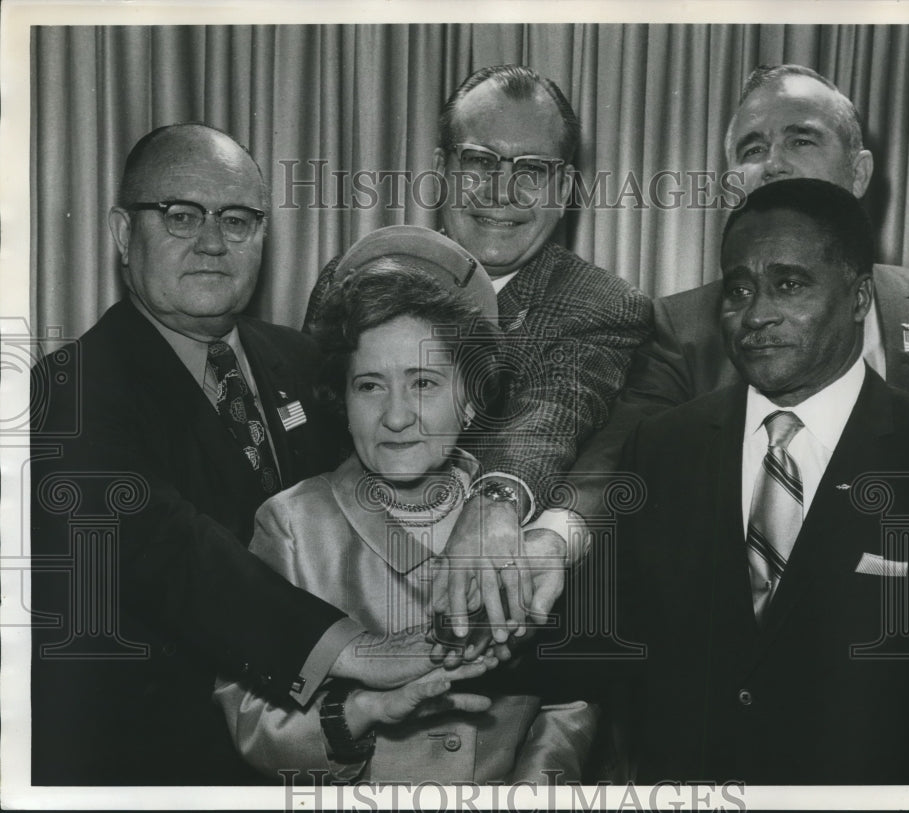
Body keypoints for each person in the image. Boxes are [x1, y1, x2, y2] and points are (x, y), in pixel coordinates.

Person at [30, 124, 442, 786]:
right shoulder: (67, 392)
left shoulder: (305, 362)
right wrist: (349, 646)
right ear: (120, 233)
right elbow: (173, 552)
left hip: (319, 749)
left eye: (239, 220)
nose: (214, 243)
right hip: (154, 770)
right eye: (181, 215)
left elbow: (379, 503)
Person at [615, 178, 909, 784]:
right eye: (739, 289)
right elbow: (614, 652)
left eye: (789, 284)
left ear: (860, 296)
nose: (756, 314)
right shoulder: (661, 448)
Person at [215, 226, 597, 783]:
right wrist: (358, 714)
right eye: (369, 386)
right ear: (341, 401)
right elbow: (250, 716)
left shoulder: (523, 524)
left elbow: (571, 702)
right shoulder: (291, 526)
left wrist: (533, 789)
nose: (396, 417)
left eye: (423, 384)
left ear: (469, 399)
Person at [303, 65, 651, 647]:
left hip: (493, 642)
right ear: (442, 172)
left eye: (532, 171)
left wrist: (495, 502)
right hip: (333, 609)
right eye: (479, 161)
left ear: (564, 191)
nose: (501, 192)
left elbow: (549, 414)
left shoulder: (598, 302)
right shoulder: (356, 278)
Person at [571, 64, 909, 510]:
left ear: (859, 174)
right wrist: (558, 535)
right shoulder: (679, 328)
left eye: (801, 140)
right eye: (753, 149)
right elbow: (616, 458)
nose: (773, 164)